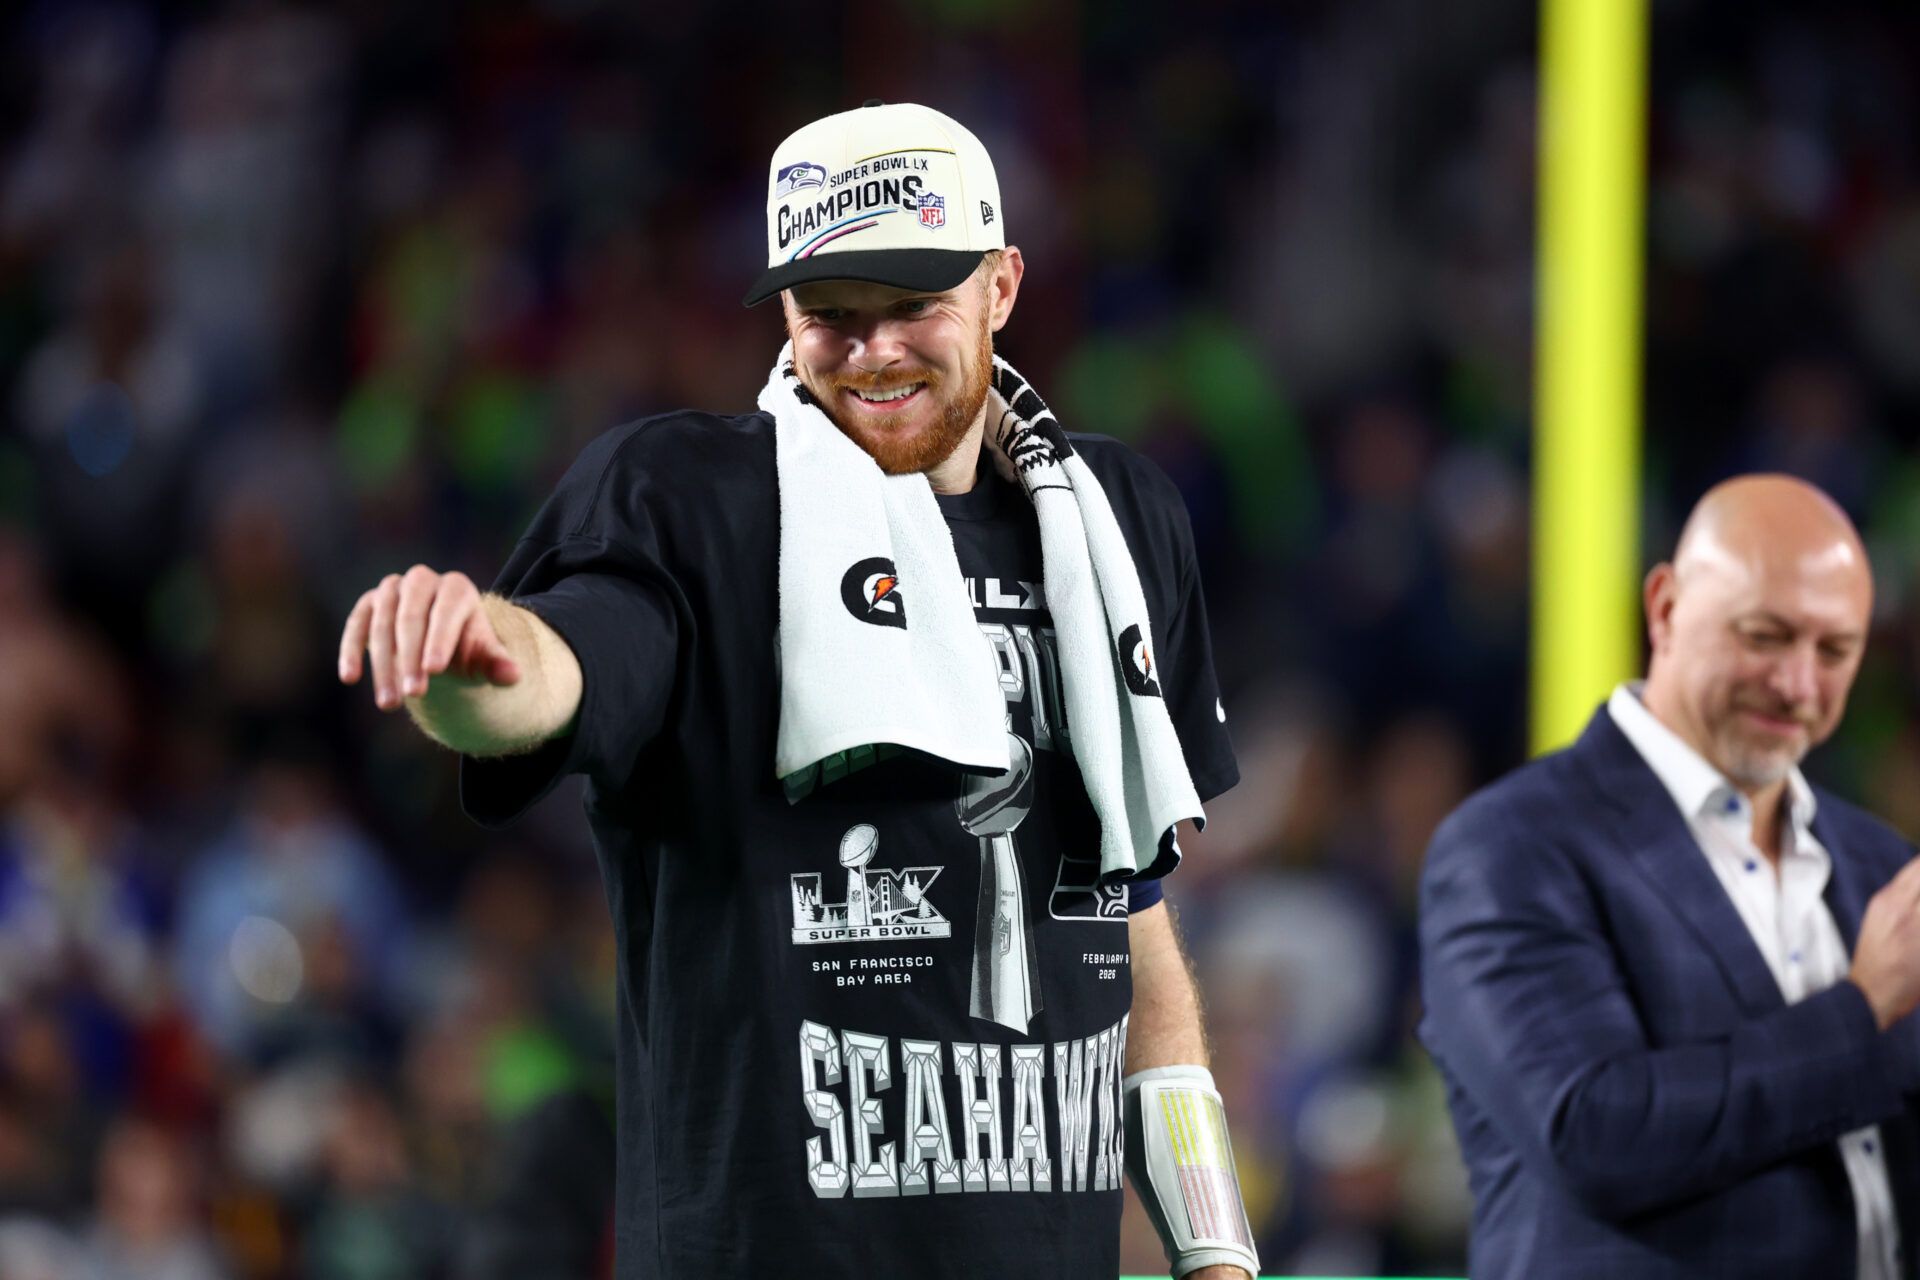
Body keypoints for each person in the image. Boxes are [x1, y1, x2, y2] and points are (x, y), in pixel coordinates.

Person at [338, 101, 1259, 1280]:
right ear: (786, 313)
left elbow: (1130, 916)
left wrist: (1216, 1254)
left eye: (913, 306)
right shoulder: (693, 497)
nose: (872, 352)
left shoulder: (1117, 527)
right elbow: (565, 668)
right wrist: (479, 660)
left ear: (1003, 285)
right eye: (833, 316)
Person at [1420, 474, 1920, 1279]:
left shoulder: (1879, 863)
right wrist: (1863, 1012)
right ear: (1665, 607)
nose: (1798, 684)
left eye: (1835, 650)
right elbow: (1594, 1134)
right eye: (1766, 636)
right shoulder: (1508, 848)